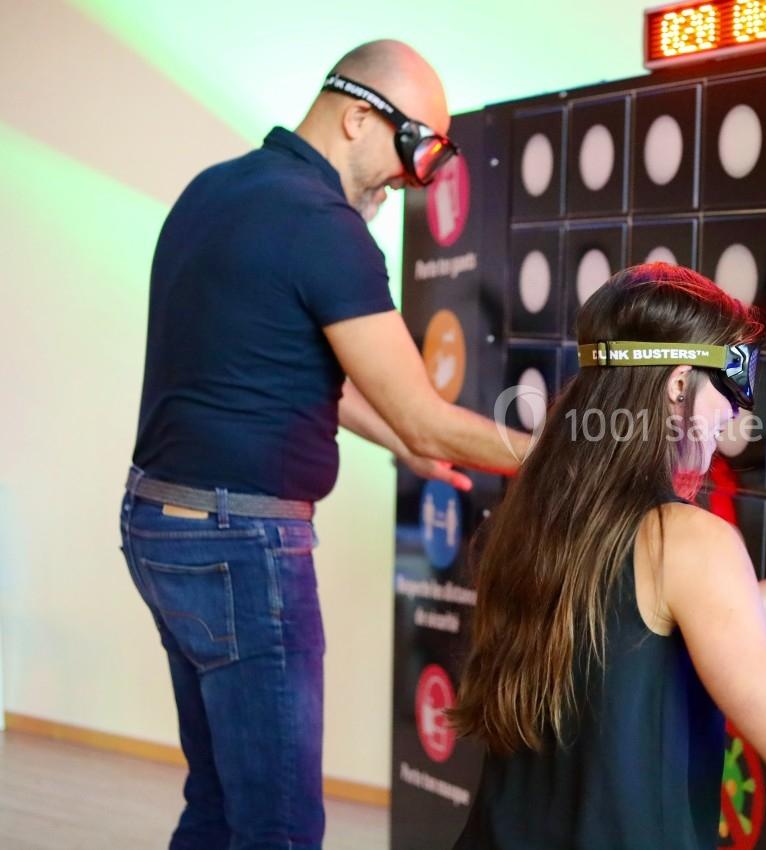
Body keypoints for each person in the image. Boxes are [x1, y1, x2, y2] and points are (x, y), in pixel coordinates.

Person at [118, 40, 530, 850]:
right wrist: (567, 456)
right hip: (243, 547)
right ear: (357, 117)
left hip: (161, 525)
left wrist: (403, 449)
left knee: (219, 803)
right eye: (416, 151)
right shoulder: (322, 225)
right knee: (279, 826)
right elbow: (423, 414)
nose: (413, 180)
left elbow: (286, 372)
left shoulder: (217, 189)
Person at [449, 263, 766, 849]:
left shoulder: (539, 518)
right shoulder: (686, 539)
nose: (733, 414)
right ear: (678, 384)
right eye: (728, 386)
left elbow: (662, 627)